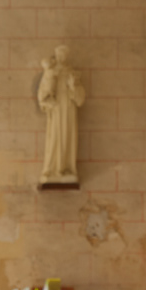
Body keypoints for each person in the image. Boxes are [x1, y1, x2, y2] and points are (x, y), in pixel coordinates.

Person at [37, 44, 86, 185]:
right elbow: (42, 91)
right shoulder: (51, 72)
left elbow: (80, 99)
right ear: (56, 55)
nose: (61, 57)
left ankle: (66, 168)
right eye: (59, 54)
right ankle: (51, 169)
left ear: (67, 56)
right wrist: (47, 99)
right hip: (56, 109)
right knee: (55, 137)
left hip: (69, 110)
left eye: (64, 54)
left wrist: (73, 86)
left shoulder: (72, 73)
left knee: (68, 136)